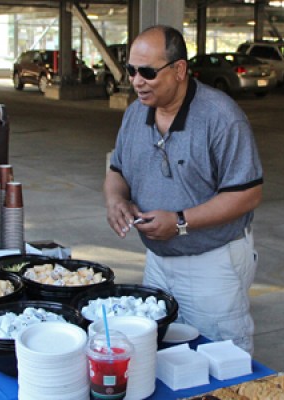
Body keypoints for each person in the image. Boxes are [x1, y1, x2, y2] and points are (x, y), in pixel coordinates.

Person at [104, 25, 263, 354]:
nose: (136, 81)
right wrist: (116, 199)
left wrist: (179, 220)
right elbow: (116, 170)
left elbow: (247, 194)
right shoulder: (135, 114)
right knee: (160, 356)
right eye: (131, 70)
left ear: (179, 70)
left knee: (220, 361)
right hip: (158, 262)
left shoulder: (221, 118)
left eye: (147, 72)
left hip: (211, 265)